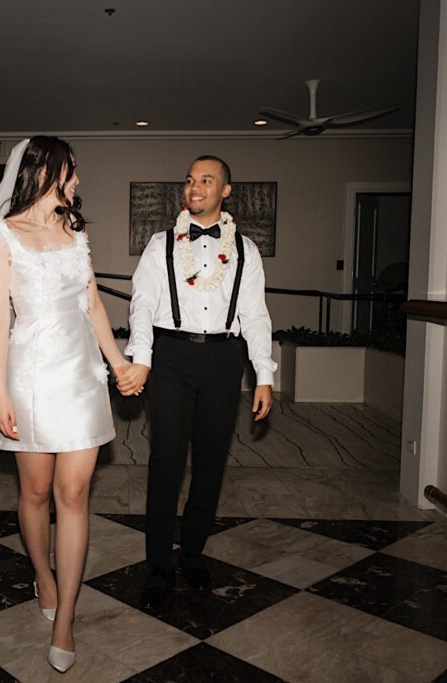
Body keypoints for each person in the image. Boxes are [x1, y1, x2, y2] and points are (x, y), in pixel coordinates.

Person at [0, 137, 129, 673]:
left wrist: (118, 363)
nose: (76, 181)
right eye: (69, 171)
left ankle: (65, 618)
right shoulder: (0, 236)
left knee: (72, 494)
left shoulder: (76, 232)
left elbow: (93, 302)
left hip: (80, 375)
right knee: (34, 492)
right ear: (43, 171)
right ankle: (44, 574)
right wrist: (1, 391)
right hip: (28, 376)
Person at [117, 155, 276, 609]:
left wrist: (263, 374)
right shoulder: (159, 244)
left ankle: (192, 554)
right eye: (189, 179)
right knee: (166, 460)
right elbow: (142, 305)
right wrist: (142, 359)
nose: (195, 186)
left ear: (226, 190)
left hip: (225, 358)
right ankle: (158, 566)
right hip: (171, 357)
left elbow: (255, 315)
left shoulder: (245, 250)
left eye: (206, 180)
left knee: (210, 461)